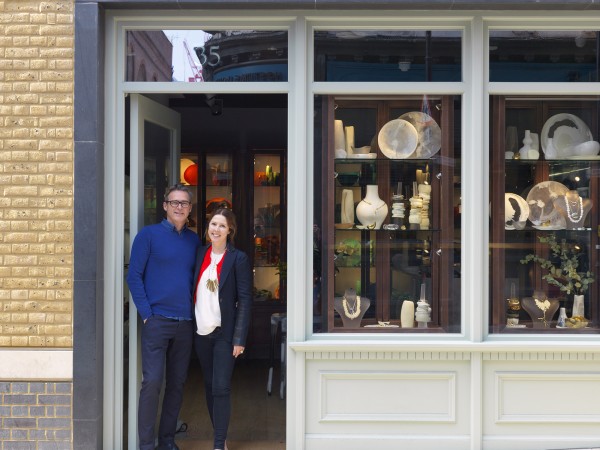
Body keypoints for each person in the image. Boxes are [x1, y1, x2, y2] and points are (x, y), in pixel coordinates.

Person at [127, 184, 200, 450]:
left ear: (190, 209)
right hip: (157, 321)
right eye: (174, 202)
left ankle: (167, 441)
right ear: (165, 206)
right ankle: (146, 445)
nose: (179, 207)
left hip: (185, 323)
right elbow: (133, 276)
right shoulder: (148, 236)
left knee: (177, 384)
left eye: (184, 203)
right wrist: (147, 314)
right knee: (153, 382)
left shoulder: (194, 241)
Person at [193, 208, 252, 450]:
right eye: (213, 224)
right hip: (201, 333)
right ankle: (221, 436)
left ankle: (218, 444)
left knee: (221, 387)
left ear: (230, 231)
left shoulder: (238, 259)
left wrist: (239, 338)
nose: (215, 229)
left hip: (224, 334)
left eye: (221, 226)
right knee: (209, 386)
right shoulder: (200, 253)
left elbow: (246, 300)